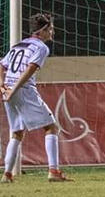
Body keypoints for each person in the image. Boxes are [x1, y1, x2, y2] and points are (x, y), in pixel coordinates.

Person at [1, 13, 71, 183]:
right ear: (43, 31)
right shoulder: (41, 48)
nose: (52, 32)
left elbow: (2, 65)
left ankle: (7, 174)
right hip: (22, 89)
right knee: (51, 127)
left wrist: (3, 86)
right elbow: (30, 69)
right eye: (51, 29)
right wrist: (14, 89)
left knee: (17, 132)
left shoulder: (18, 45)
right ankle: (53, 171)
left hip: (8, 90)